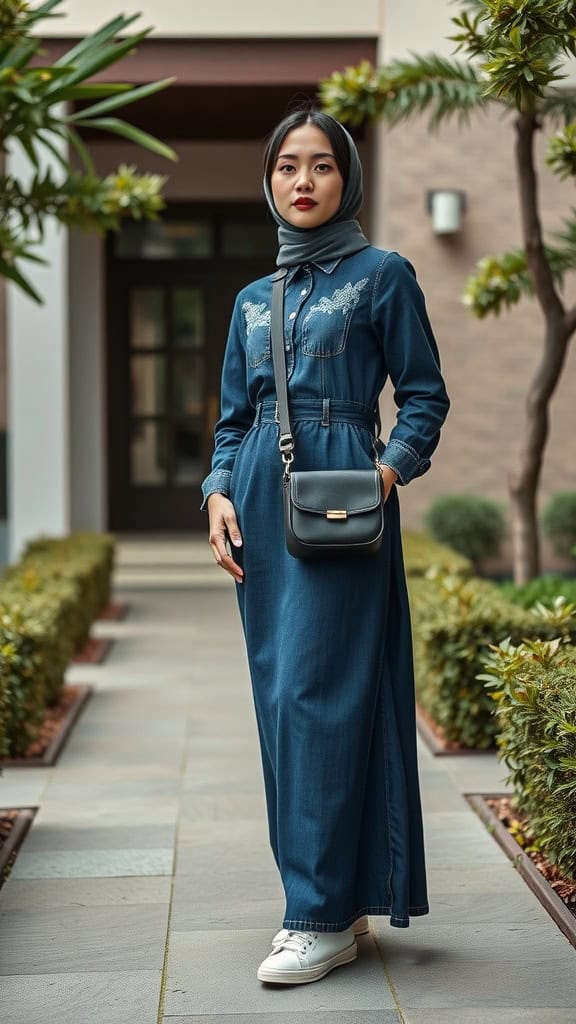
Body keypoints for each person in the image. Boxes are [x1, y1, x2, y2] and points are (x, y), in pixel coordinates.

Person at [201, 108, 450, 986]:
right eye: (286, 167)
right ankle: (334, 898)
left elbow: (424, 398)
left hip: (343, 506)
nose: (302, 181)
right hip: (263, 514)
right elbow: (235, 420)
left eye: (321, 166)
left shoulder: (382, 276)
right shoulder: (251, 300)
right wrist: (217, 494)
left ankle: (314, 918)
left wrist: (381, 475)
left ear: (348, 178)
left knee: (321, 695)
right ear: (267, 182)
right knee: (284, 703)